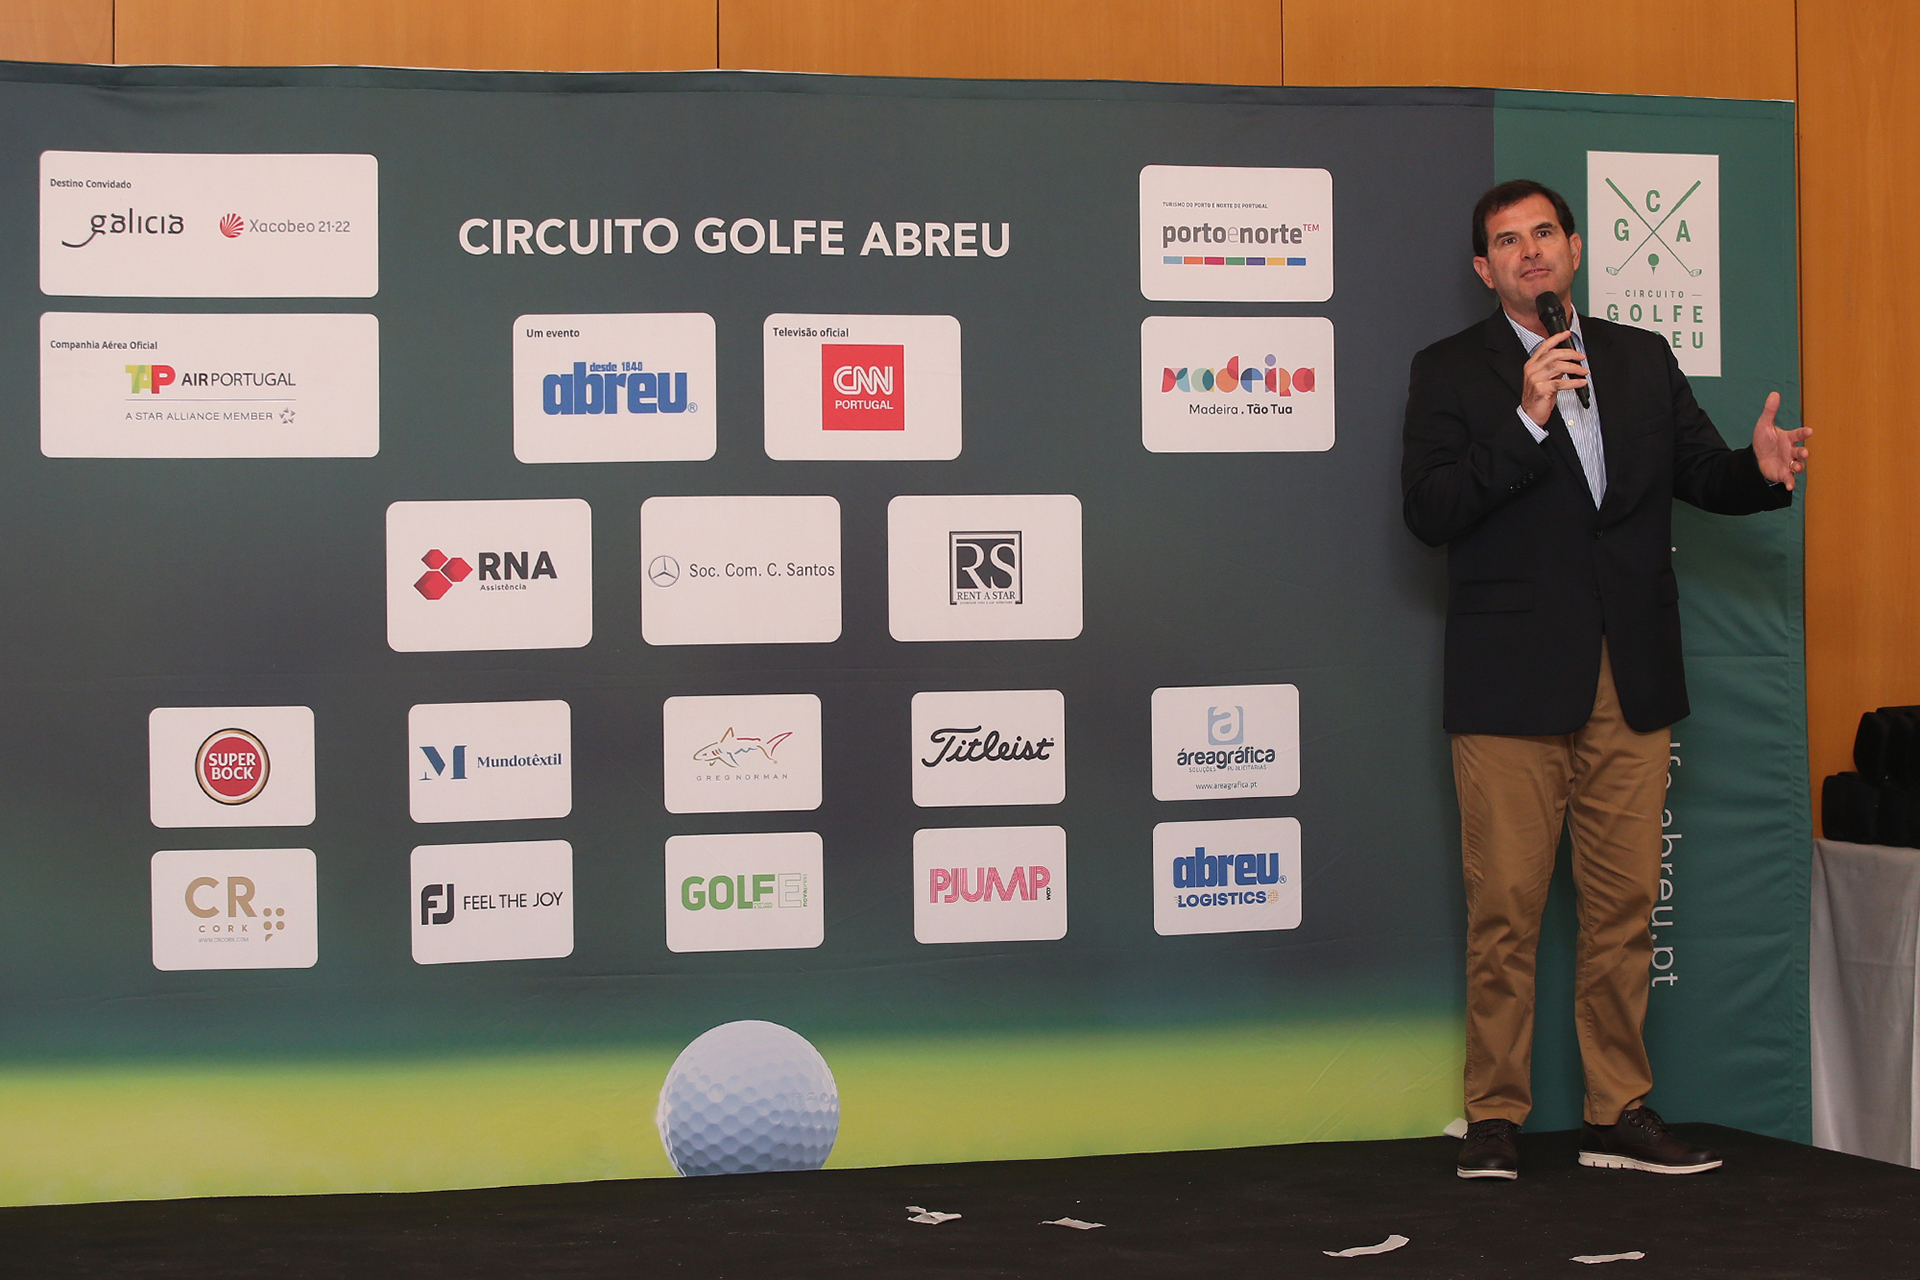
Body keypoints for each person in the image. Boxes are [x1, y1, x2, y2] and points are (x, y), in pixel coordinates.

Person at [1400, 179, 1809, 1180]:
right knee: (1506, 909)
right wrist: (1527, 418)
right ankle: (1494, 1115)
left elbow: (1701, 472)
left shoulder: (1640, 356)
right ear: (1484, 269)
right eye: (1508, 240)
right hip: (1509, 685)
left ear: (1575, 249)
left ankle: (1616, 1108)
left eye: (1545, 232)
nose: (1531, 250)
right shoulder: (1449, 369)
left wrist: (1757, 470)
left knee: (1624, 907)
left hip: (1631, 672)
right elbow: (1430, 510)